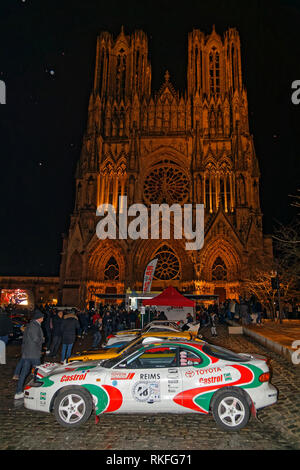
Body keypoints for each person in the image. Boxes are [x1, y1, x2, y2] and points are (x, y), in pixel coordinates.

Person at [14, 309, 45, 400]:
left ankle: (19, 392)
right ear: (39, 318)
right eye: (42, 317)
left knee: (25, 372)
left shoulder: (31, 325)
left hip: (28, 353)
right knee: (38, 373)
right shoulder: (34, 326)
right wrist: (42, 339)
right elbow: (35, 339)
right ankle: (36, 392)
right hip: (33, 353)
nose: (43, 318)